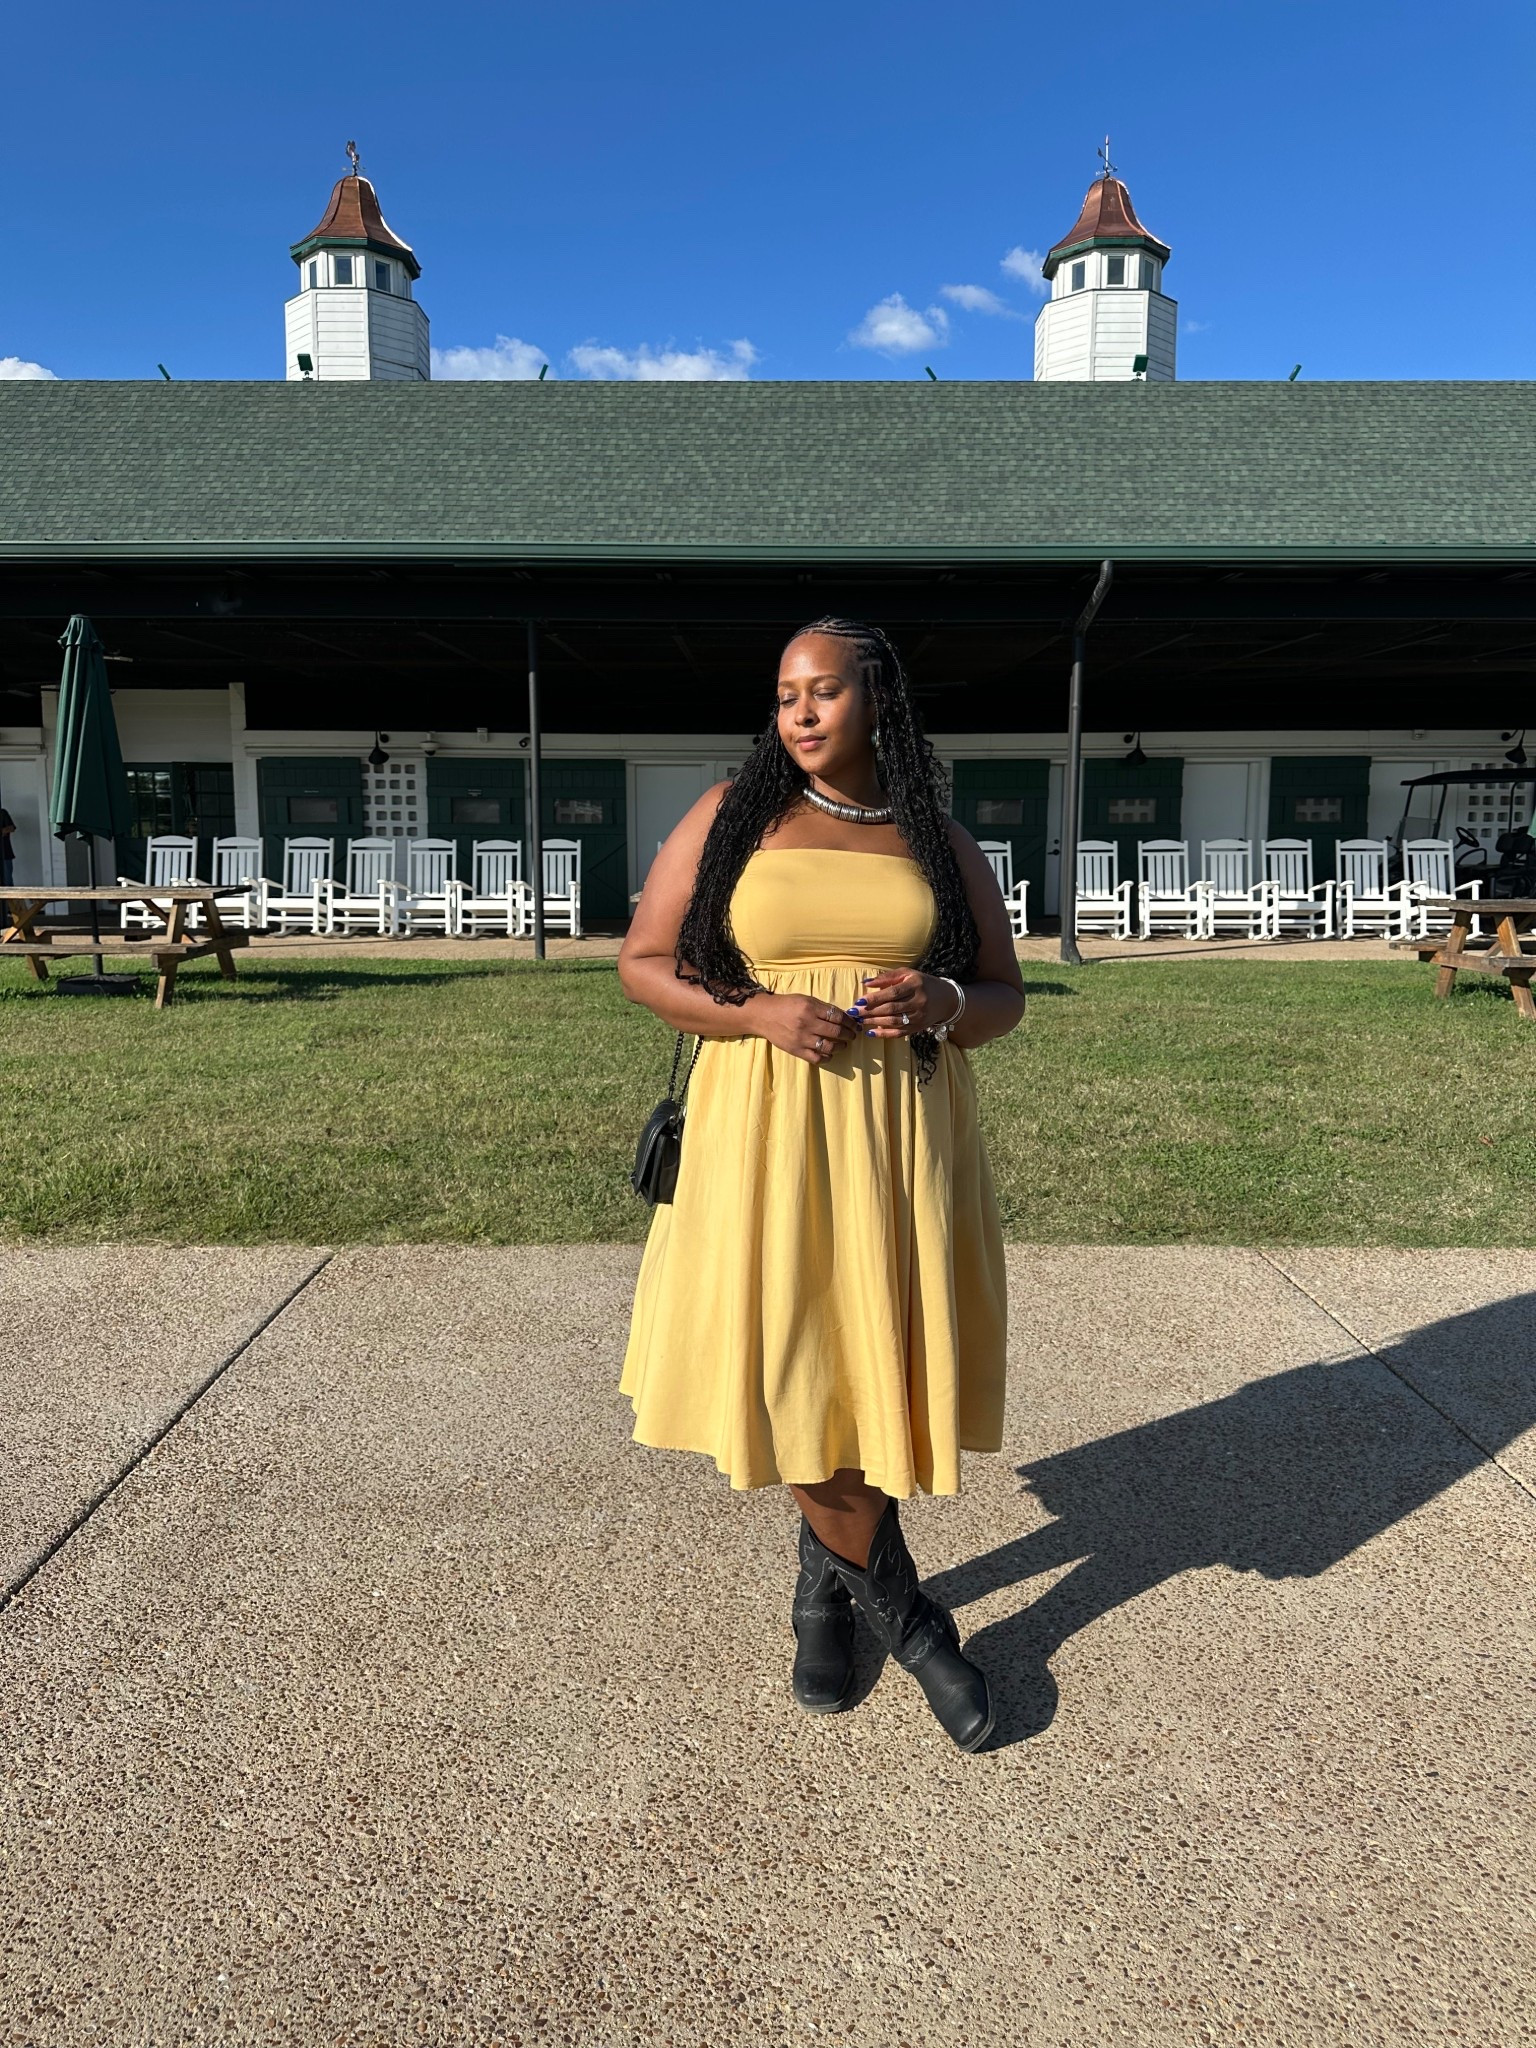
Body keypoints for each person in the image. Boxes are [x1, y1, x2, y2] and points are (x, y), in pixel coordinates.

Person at [617, 618, 1026, 1751]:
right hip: (767, 1131)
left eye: (824, 691)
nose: (798, 712)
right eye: (786, 693)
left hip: (902, 1136)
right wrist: (756, 1009)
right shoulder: (727, 816)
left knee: (868, 1352)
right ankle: (913, 1618)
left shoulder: (935, 837)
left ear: (878, 700)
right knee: (794, 1355)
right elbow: (644, 964)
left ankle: (821, 1587)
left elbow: (1002, 993)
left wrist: (941, 999)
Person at [0, 804, 14, 888]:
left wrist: (2, 831)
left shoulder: (2, 813)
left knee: (7, 883)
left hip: (5, 854)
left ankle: (10, 901)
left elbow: (11, 828)